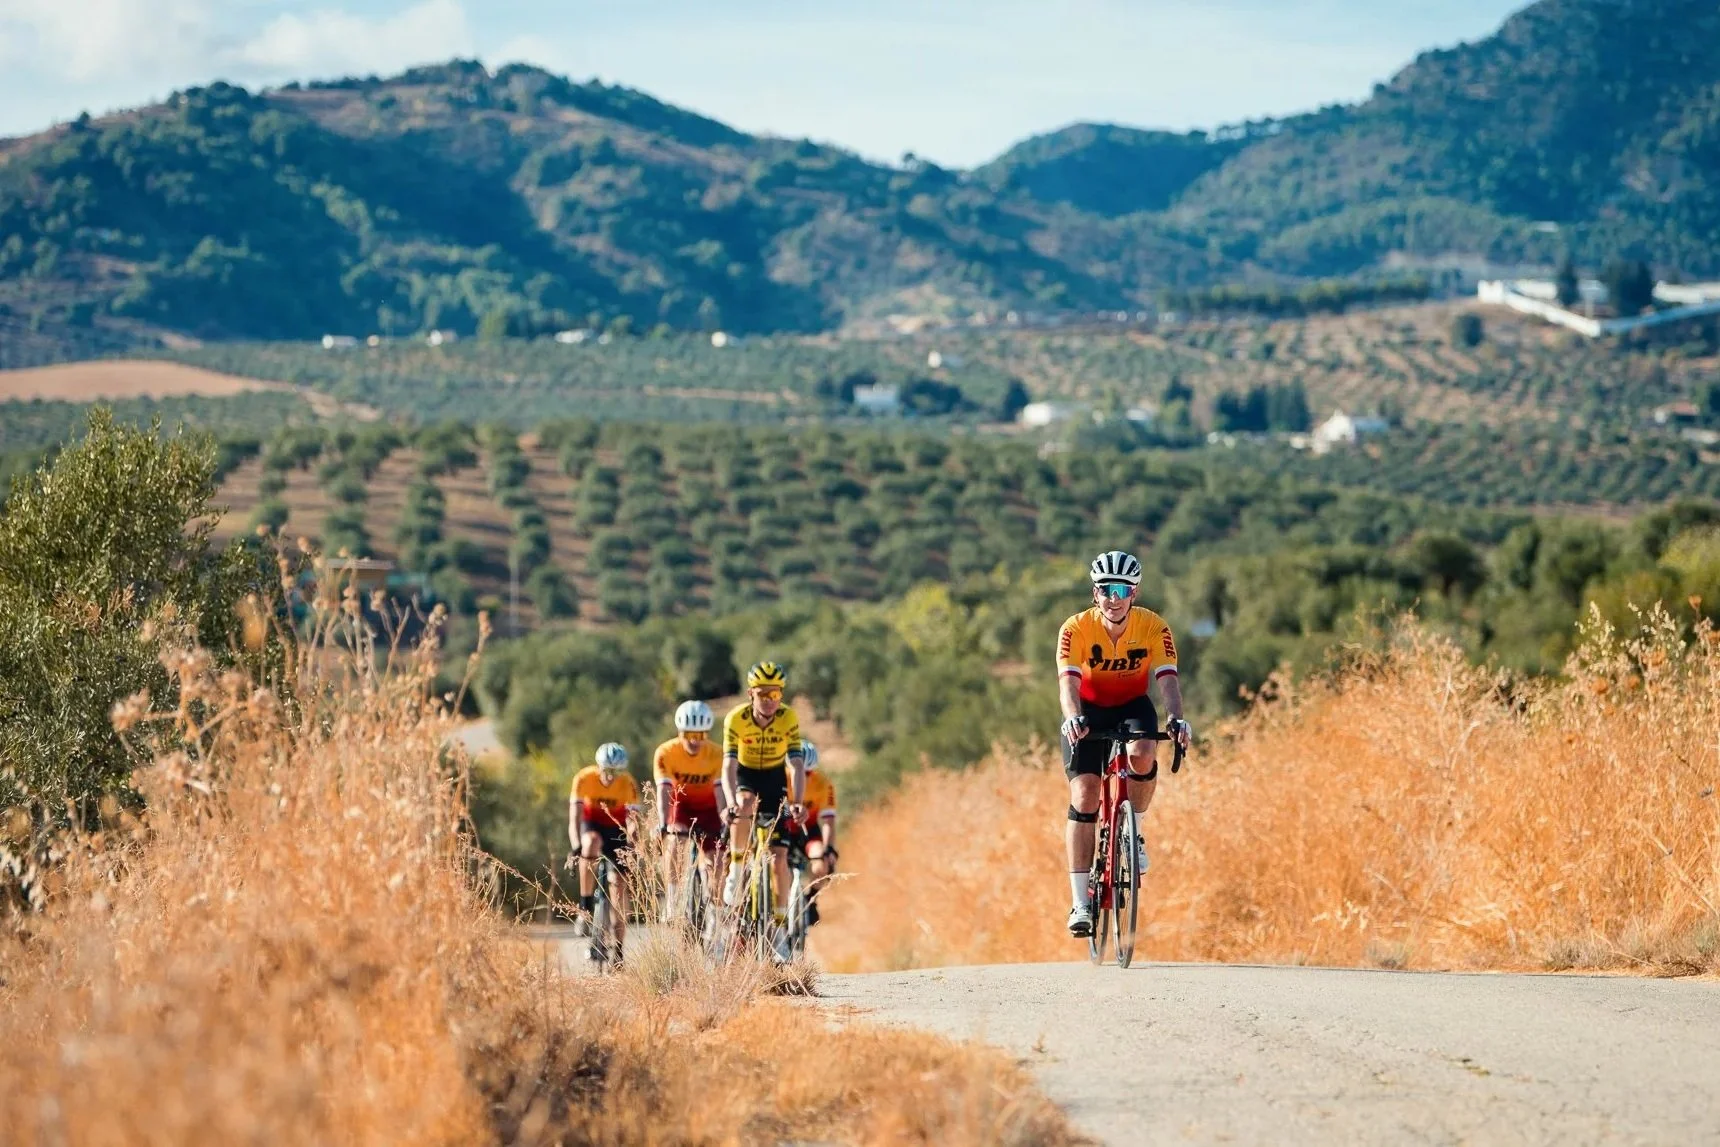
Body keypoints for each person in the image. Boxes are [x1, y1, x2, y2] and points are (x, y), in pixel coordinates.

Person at [1056, 550, 1192, 938]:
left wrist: (1176, 717)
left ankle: (1135, 831)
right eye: (1105, 590)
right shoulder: (1075, 628)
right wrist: (1072, 717)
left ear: (1135, 592)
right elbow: (1067, 680)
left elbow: (1167, 677)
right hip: (1089, 709)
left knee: (1144, 751)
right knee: (1085, 795)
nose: (1113, 598)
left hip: (1133, 705)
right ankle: (1081, 902)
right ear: (1094, 593)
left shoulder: (1154, 626)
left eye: (1122, 589)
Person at [720, 661, 805, 956]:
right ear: (750, 694)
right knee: (743, 804)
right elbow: (728, 766)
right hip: (745, 775)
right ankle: (736, 868)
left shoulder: (788, 717)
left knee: (778, 860)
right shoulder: (736, 719)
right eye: (763, 694)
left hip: (773, 778)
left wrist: (797, 802)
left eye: (776, 694)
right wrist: (730, 801)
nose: (769, 701)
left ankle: (780, 931)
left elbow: (795, 763)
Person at [653, 699, 726, 921]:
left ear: (707, 733)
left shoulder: (717, 754)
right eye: (688, 735)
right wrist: (663, 823)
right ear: (679, 731)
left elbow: (721, 791)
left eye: (700, 736)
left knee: (718, 863)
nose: (694, 741)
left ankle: (715, 914)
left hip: (710, 808)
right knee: (675, 841)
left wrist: (724, 821)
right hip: (681, 805)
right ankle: (673, 900)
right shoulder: (666, 752)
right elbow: (664, 789)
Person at [568, 742, 641, 962]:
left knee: (619, 888)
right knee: (589, 843)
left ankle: (618, 950)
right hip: (592, 825)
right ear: (598, 767)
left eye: (616, 772)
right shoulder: (584, 778)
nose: (611, 776)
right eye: (607, 770)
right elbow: (574, 818)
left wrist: (633, 842)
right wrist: (575, 847)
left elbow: (633, 820)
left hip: (616, 829)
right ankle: (585, 906)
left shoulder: (628, 782)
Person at [789, 738, 838, 928]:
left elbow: (828, 820)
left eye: (808, 772)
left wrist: (829, 848)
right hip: (782, 829)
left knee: (820, 864)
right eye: (799, 772)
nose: (804, 776)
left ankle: (810, 900)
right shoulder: (780, 779)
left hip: (808, 831)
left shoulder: (823, 783)